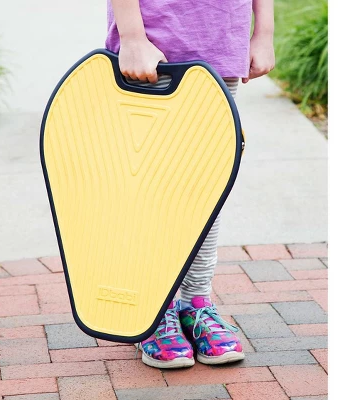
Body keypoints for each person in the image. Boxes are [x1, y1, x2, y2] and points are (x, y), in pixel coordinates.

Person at [106, 0, 275, 369]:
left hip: (221, 42)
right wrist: (132, 36)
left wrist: (264, 32)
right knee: (151, 187)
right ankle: (155, 307)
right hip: (154, 45)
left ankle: (196, 304)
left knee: (205, 188)